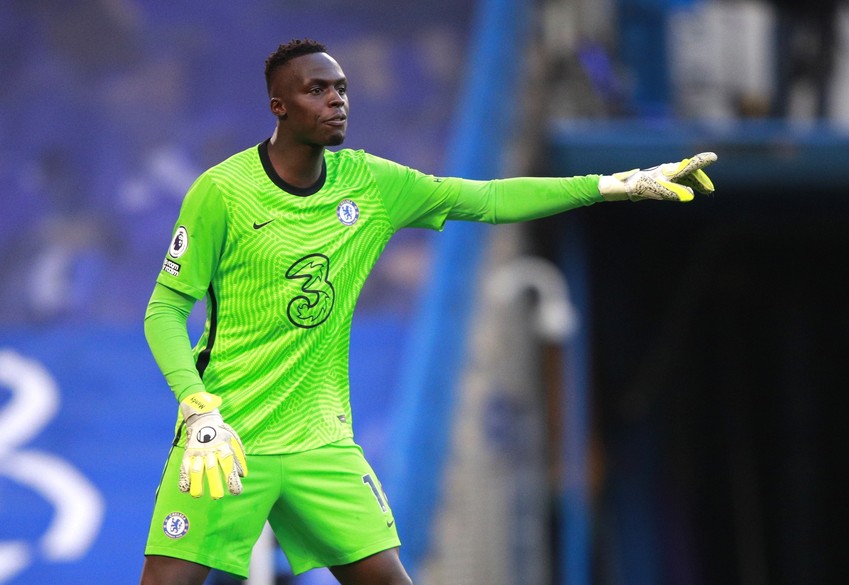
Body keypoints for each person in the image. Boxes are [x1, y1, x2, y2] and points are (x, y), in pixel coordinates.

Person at [139, 38, 717, 585]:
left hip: (322, 443)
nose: (336, 99)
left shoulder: (370, 183)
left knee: (387, 578)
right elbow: (164, 309)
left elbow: (485, 199)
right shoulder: (222, 192)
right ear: (279, 107)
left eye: (341, 88)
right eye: (317, 90)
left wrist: (611, 185)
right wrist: (197, 411)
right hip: (225, 438)